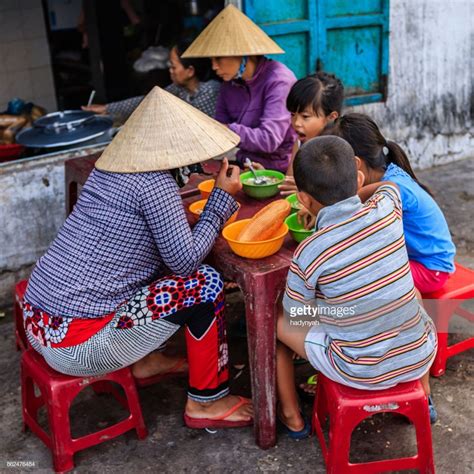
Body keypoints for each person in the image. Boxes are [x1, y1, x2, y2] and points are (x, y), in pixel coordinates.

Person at [23, 87, 253, 429]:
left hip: (37, 322)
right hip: (78, 343)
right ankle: (207, 402)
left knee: (148, 275)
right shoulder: (153, 184)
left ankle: (149, 361)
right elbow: (185, 262)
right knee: (204, 283)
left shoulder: (109, 168)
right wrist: (219, 200)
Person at [276, 136, 438, 439]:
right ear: (358, 175)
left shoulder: (309, 251)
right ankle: (424, 398)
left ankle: (292, 418)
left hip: (357, 369)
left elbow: (297, 317)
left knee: (277, 324)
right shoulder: (387, 209)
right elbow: (389, 187)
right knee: (413, 298)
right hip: (419, 352)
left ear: (303, 199)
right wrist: (355, 194)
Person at [322, 113, 456, 293]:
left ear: (355, 164)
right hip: (414, 259)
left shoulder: (392, 189)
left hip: (431, 269)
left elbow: (363, 228)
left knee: (355, 276)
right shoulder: (386, 173)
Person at [181, 4, 297, 172]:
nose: (214, 67)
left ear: (243, 54)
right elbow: (219, 128)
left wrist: (228, 130)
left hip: (277, 170)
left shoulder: (279, 81)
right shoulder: (229, 84)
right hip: (244, 164)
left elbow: (269, 140)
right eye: (211, 60)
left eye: (219, 58)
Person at [82, 38, 221, 123]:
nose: (170, 70)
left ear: (190, 71)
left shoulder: (210, 91)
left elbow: (185, 121)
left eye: (173, 66)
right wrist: (107, 108)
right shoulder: (179, 89)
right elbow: (148, 100)